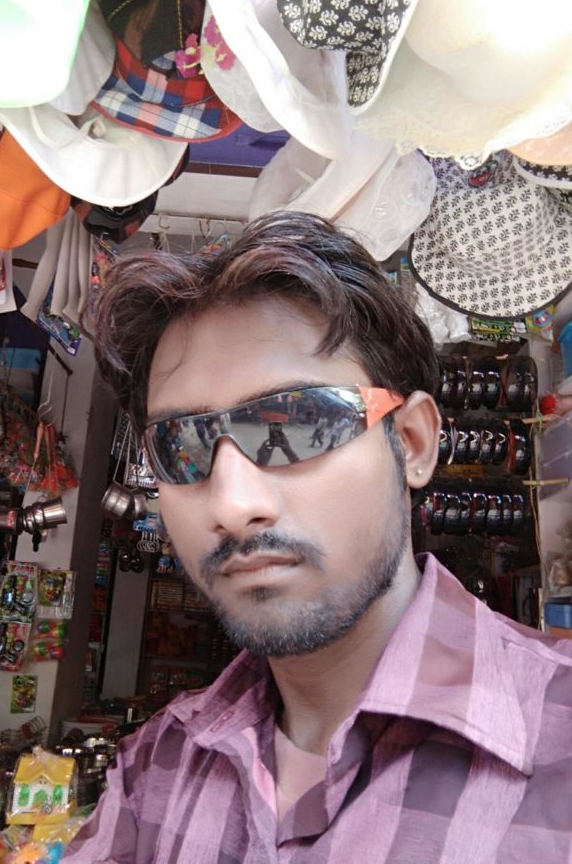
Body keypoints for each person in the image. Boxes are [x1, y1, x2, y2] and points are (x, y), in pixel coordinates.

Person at [64, 212, 572, 863]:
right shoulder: (154, 772)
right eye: (180, 447)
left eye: (298, 423)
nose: (233, 503)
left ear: (412, 442)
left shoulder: (555, 744)